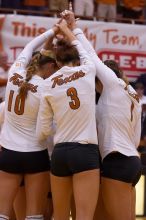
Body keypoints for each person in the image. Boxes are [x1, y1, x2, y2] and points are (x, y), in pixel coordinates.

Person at [62, 10, 142, 220]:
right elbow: (135, 136)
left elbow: (92, 58)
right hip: (132, 161)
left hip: (117, 161)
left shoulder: (113, 85)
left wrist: (74, 30)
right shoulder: (132, 93)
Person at [36, 19, 100, 220]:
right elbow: (84, 49)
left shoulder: (47, 84)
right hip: (85, 150)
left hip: (60, 153)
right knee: (84, 216)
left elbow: (42, 131)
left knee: (60, 216)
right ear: (77, 59)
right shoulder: (87, 70)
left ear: (56, 63)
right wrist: (68, 29)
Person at [0, 24, 58, 220]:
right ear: (49, 66)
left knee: (2, 213)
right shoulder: (45, 89)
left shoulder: (14, 73)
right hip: (36, 155)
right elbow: (45, 128)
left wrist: (53, 31)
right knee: (34, 215)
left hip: (8, 153)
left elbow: (30, 45)